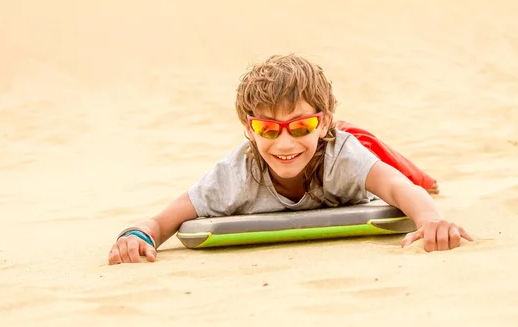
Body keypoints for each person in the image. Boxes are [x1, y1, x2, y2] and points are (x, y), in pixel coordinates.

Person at [108, 54, 471, 264]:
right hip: (323, 140)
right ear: (248, 129)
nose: (283, 142)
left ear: (322, 121)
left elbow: (395, 187)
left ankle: (423, 174)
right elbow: (163, 220)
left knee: (390, 163)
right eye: (267, 129)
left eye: (300, 125)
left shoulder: (340, 153)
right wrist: (138, 235)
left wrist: (431, 220)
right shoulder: (236, 174)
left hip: (345, 142)